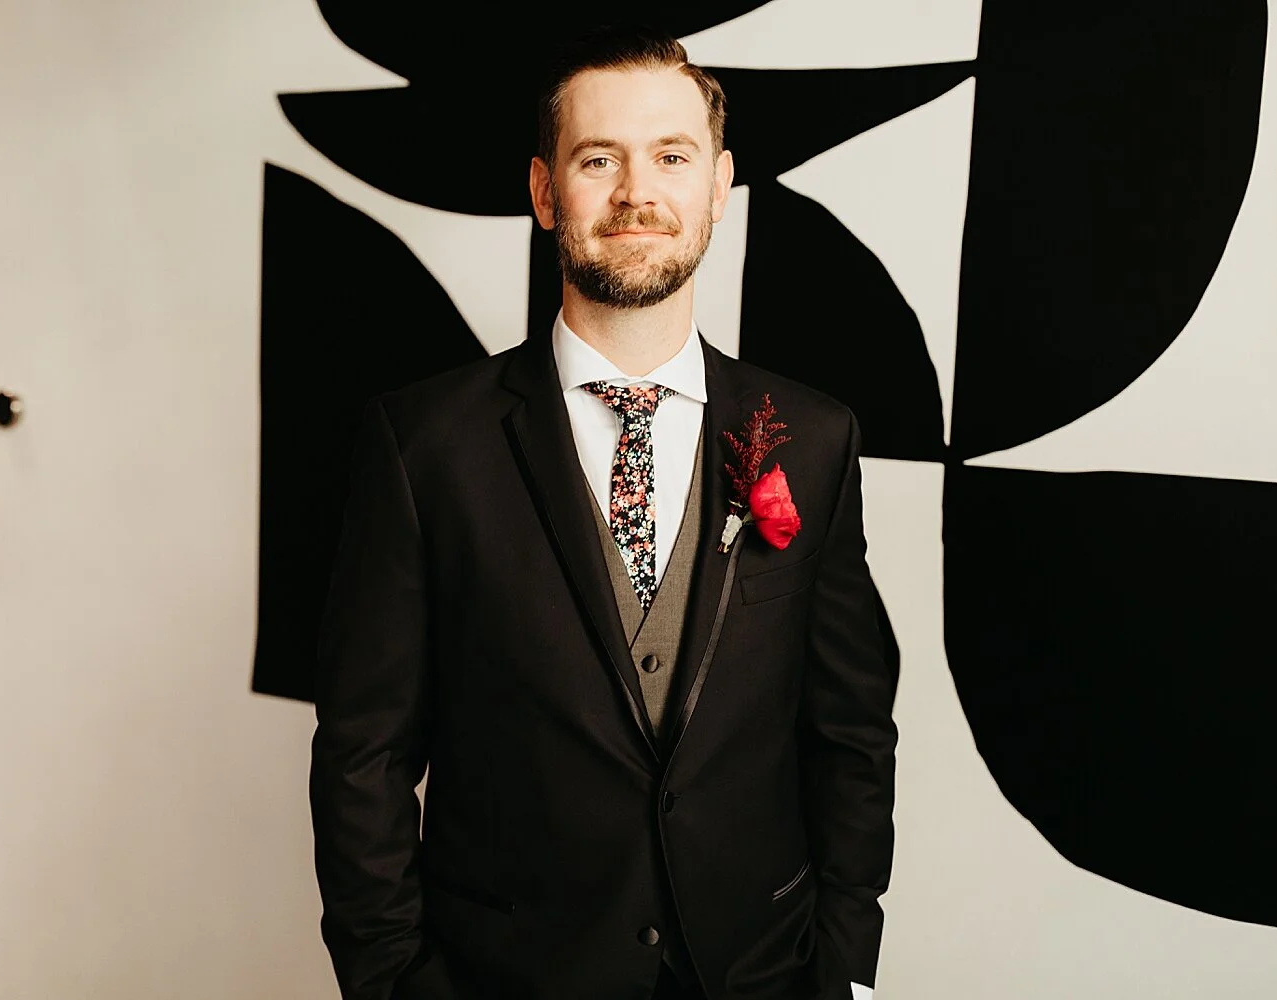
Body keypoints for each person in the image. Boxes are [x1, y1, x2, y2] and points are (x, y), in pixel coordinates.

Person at [310, 23, 897, 1000]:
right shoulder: (423, 446)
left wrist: (845, 967)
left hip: (761, 973)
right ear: (546, 192)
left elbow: (852, 731)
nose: (636, 193)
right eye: (598, 159)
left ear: (719, 184)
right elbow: (361, 757)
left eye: (672, 156)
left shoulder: (814, 436)